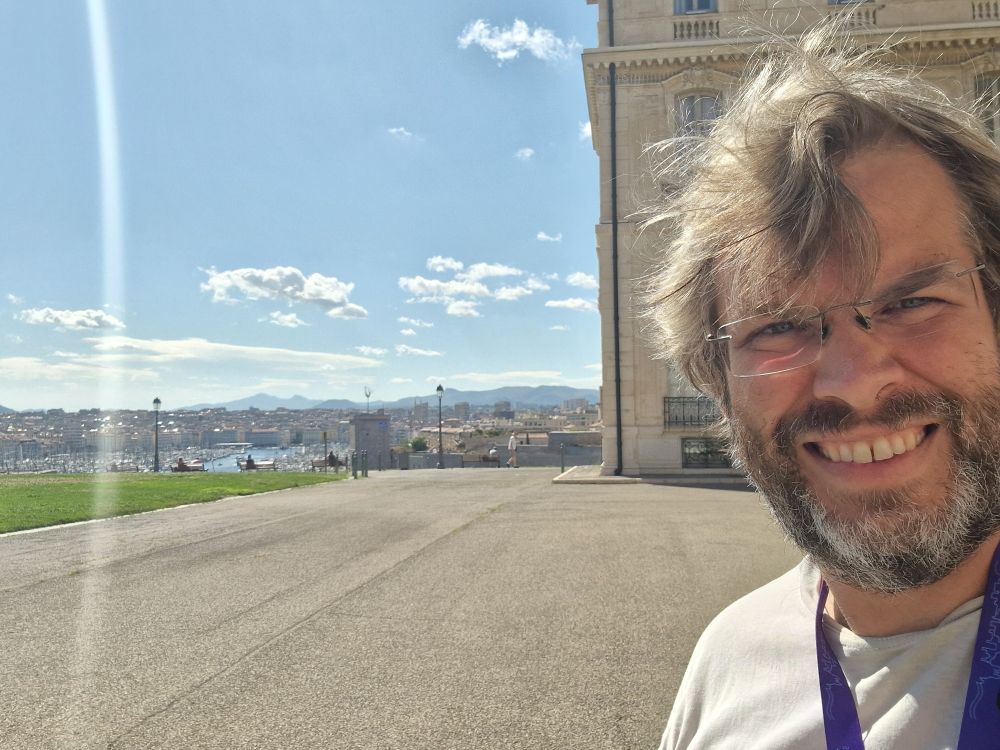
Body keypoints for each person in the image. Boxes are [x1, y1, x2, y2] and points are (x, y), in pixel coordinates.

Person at [645, 22, 1000, 749]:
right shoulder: (727, 664)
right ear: (720, 381)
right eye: (777, 327)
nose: (856, 383)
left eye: (911, 302)